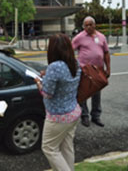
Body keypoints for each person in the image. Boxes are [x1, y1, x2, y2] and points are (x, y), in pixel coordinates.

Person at [34, 33, 81, 171]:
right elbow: (63, 81)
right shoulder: (75, 63)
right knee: (66, 147)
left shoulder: (54, 67)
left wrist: (38, 82)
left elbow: (47, 93)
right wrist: (47, 76)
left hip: (58, 116)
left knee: (49, 148)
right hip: (74, 112)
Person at [72, 16, 111, 127]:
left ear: (94, 25)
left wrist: (108, 68)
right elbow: (70, 50)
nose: (88, 27)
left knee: (96, 94)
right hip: (84, 71)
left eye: (90, 24)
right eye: (86, 25)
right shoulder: (79, 37)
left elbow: (106, 53)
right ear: (83, 26)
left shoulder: (101, 37)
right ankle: (84, 116)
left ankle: (96, 116)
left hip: (98, 70)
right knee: (83, 93)